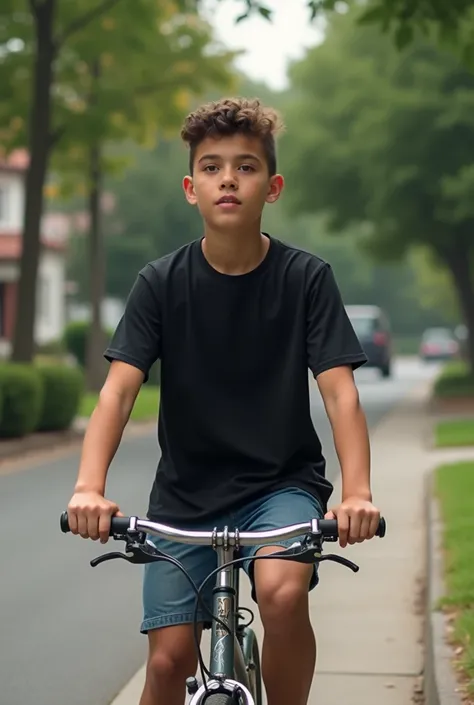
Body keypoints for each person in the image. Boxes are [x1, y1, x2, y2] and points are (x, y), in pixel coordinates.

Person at [66, 97, 381, 705]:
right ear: (191, 188)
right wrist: (88, 485)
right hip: (185, 494)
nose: (228, 179)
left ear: (273, 186)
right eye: (211, 168)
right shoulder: (160, 283)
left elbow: (341, 394)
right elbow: (119, 390)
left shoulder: (306, 278)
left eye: (246, 166)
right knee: (167, 663)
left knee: (283, 595)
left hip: (280, 485)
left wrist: (358, 494)